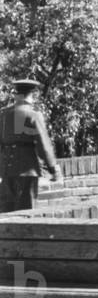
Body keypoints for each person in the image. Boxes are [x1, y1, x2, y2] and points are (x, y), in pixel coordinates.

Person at [0, 79, 60, 212]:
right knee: (26, 212)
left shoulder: (3, 114)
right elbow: (43, 144)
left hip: (6, 170)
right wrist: (53, 169)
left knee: (5, 213)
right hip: (27, 170)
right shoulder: (33, 114)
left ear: (17, 94)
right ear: (32, 94)